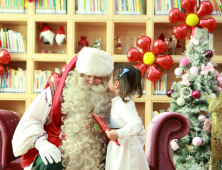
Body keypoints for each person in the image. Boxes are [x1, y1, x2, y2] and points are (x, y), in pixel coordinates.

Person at [12, 47, 114, 170]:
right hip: (56, 151)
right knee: (49, 163)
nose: (91, 81)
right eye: (88, 75)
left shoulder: (108, 96)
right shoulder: (54, 90)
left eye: (98, 78)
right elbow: (31, 120)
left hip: (94, 156)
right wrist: (42, 144)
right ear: (79, 73)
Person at [105, 64, 150, 170]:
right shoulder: (119, 101)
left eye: (110, 78)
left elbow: (136, 124)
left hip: (126, 149)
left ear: (116, 84)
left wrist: (117, 133)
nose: (108, 80)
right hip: (120, 146)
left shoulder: (125, 104)